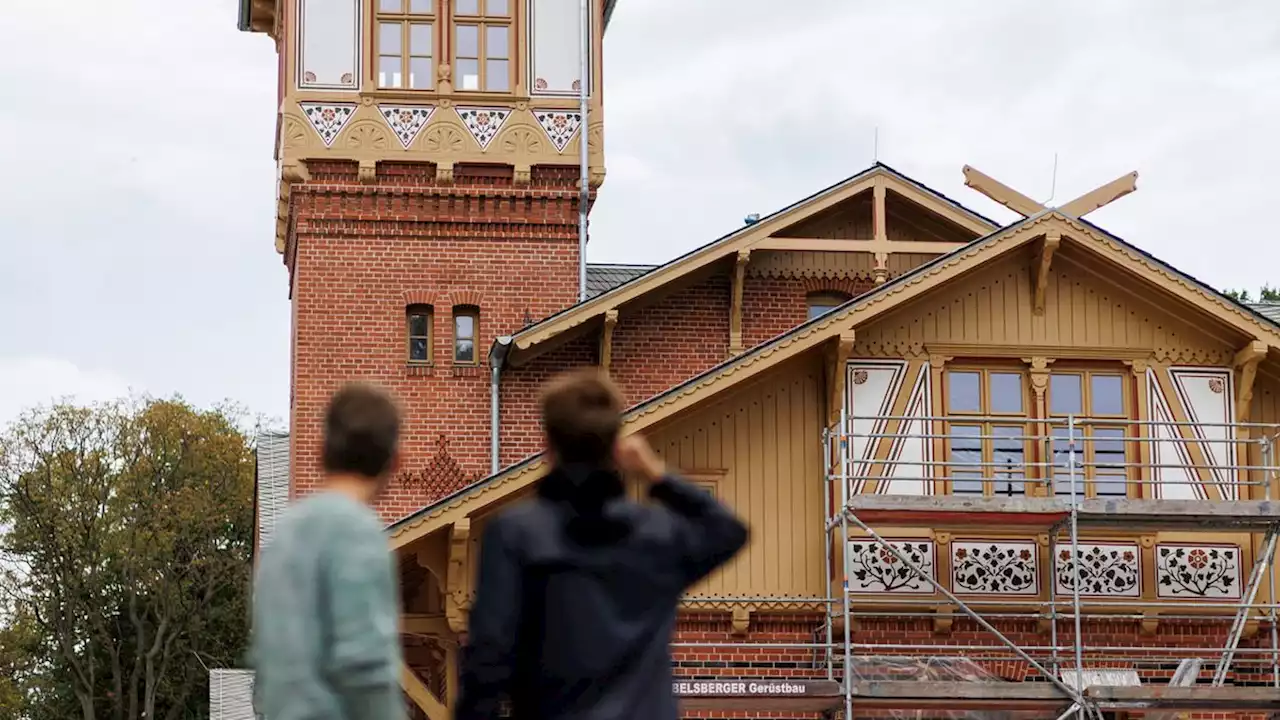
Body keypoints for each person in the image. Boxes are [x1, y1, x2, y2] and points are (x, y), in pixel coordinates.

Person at [455, 368, 750, 720]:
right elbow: (728, 530)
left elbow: (488, 655)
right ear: (616, 446)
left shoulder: (516, 533)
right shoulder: (658, 533)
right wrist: (656, 473)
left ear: (547, 445)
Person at [251, 382, 406, 720]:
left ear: (321, 452)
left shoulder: (282, 535)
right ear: (395, 462)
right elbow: (363, 665)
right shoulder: (358, 531)